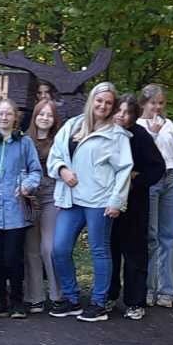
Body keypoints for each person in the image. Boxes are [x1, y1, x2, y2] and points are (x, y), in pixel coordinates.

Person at [47, 82, 132, 322]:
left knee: (99, 250)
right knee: (59, 249)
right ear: (91, 100)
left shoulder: (116, 135)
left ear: (112, 106)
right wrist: (62, 169)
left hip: (99, 201)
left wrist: (117, 201)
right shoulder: (72, 125)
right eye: (99, 100)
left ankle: (98, 302)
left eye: (108, 102)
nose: (103, 105)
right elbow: (55, 155)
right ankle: (72, 298)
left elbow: (124, 170)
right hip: (71, 199)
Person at [0, 100, 42, 319]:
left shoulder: (24, 143)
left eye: (8, 114)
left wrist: (27, 185)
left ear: (15, 117)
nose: (4, 117)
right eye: (1, 114)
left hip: (15, 209)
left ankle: (17, 301)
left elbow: (36, 171)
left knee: (13, 257)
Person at [108, 95, 167, 320]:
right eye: (118, 111)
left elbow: (157, 167)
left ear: (134, 115)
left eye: (127, 112)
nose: (122, 115)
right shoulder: (104, 133)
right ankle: (109, 295)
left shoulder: (140, 136)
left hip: (135, 205)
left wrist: (136, 181)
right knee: (109, 251)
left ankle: (135, 301)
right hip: (105, 203)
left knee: (134, 254)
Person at [139, 84, 173, 308]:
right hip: (151, 182)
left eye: (160, 103)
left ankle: (167, 290)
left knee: (169, 236)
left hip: (171, 179)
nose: (157, 107)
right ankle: (148, 288)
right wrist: (153, 133)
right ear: (143, 104)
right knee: (151, 236)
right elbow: (146, 155)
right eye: (152, 103)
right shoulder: (137, 126)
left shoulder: (169, 124)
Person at [22, 99, 68, 316]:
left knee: (48, 247)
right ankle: (34, 297)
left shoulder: (59, 140)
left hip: (51, 194)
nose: (45, 118)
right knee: (31, 248)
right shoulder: (24, 140)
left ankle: (57, 295)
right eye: (41, 114)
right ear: (35, 116)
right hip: (29, 197)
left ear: (54, 119)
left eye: (49, 115)